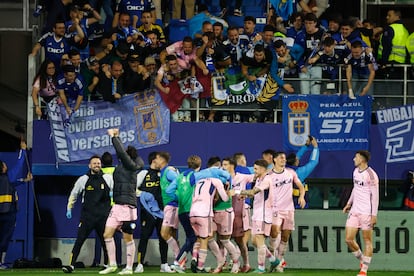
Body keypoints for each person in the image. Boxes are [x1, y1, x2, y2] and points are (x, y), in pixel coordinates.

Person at [99, 128, 144, 275]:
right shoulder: (122, 166)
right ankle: (112, 264)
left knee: (127, 238)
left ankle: (129, 268)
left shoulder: (131, 166)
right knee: (107, 234)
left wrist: (113, 137)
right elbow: (122, 153)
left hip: (128, 207)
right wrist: (117, 136)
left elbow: (121, 153)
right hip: (116, 206)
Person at [62, 155, 114, 273]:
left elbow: (114, 192)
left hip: (103, 217)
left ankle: (107, 264)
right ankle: (71, 265)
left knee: (106, 242)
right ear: (89, 165)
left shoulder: (108, 178)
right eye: (94, 163)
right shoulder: (83, 179)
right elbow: (74, 194)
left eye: (98, 163)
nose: (97, 165)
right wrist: (69, 208)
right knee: (79, 240)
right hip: (87, 217)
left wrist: (113, 202)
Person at [230, 159, 279, 274]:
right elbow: (256, 195)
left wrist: (237, 192)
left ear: (263, 169)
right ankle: (273, 259)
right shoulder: (259, 179)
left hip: (263, 215)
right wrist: (244, 196)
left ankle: (261, 268)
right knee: (254, 241)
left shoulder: (266, 180)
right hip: (257, 214)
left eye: (256, 169)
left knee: (259, 241)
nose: (254, 171)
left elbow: (253, 192)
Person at [343, 150, 379, 276]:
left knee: (367, 240)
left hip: (366, 213)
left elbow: (375, 196)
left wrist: (374, 215)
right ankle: (363, 260)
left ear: (362, 159)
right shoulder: (355, 172)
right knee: (348, 239)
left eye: (356, 157)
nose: (354, 159)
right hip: (355, 211)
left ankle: (364, 270)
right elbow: (355, 188)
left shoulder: (371, 175)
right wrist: (349, 203)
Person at [268, 151, 306, 273]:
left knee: (285, 236)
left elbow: (300, 186)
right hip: (275, 209)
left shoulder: (291, 173)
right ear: (274, 160)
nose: (283, 160)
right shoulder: (269, 175)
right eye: (280, 158)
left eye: (284, 158)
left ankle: (279, 262)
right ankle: (273, 258)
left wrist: (301, 197)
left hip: (289, 209)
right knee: (274, 232)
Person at [134, 152, 169, 273]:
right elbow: (133, 188)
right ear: (154, 160)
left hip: (162, 212)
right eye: (161, 159)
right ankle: (139, 264)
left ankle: (164, 264)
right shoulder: (143, 174)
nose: (163, 162)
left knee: (163, 237)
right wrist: (143, 195)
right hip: (147, 213)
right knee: (144, 238)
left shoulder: (165, 174)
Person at [0, 140, 32, 269]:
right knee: (5, 238)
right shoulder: (9, 178)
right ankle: (1, 262)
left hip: (7, 213)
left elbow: (16, 182)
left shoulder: (9, 180)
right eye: (4, 165)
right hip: (8, 214)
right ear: (2, 169)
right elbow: (19, 165)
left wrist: (25, 180)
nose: (6, 166)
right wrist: (23, 150)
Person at [189, 176, 230, 273]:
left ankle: (194, 258)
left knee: (198, 238)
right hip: (204, 214)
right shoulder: (216, 180)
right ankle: (200, 267)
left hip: (192, 213)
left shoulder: (199, 181)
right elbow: (225, 198)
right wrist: (228, 192)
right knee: (204, 240)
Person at [222, 157, 254, 273]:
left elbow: (259, 178)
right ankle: (229, 263)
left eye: (225, 165)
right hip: (225, 212)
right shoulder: (222, 179)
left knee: (239, 240)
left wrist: (245, 193)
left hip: (240, 212)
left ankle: (246, 264)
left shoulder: (242, 177)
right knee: (224, 239)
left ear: (232, 166)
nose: (223, 167)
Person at [92, 152, 122, 268]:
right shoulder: (117, 172)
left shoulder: (100, 173)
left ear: (102, 163)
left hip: (103, 207)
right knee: (117, 235)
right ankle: (117, 260)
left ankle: (97, 261)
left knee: (101, 235)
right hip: (116, 207)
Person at [155, 151, 179, 273]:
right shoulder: (164, 172)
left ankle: (179, 260)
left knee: (164, 233)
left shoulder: (169, 172)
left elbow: (180, 182)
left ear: (162, 159)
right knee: (173, 235)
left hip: (173, 205)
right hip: (169, 206)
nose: (155, 161)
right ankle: (179, 260)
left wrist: (175, 197)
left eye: (157, 159)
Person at [286, 135, 319, 209]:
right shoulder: (299, 172)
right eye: (297, 159)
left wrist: (306, 145)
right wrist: (315, 147)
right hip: (298, 203)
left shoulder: (285, 169)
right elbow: (313, 162)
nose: (298, 158)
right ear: (295, 162)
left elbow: (297, 156)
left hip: (285, 203)